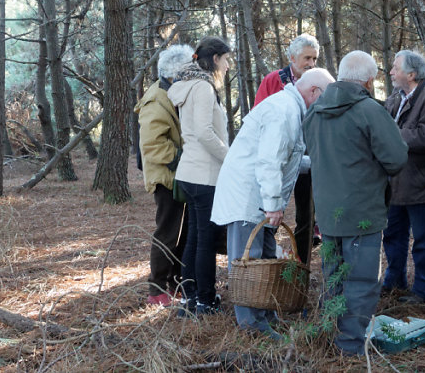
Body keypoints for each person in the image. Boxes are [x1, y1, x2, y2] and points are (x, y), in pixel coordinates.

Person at [212, 68, 335, 337]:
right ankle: (251, 325)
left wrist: (321, 164)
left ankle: (266, 315)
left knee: (267, 257)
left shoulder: (291, 108)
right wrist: (273, 204)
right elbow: (269, 162)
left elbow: (289, 158)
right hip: (248, 198)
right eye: (325, 98)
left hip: (258, 197)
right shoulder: (284, 111)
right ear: (313, 91)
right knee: (248, 262)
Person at [302, 50, 408, 356]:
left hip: (328, 212)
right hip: (363, 210)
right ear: (369, 80)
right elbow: (396, 158)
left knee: (334, 277)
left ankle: (330, 336)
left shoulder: (315, 110)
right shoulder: (369, 110)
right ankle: (349, 347)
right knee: (360, 280)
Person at [169, 36, 232, 316]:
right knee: (205, 240)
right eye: (226, 60)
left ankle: (190, 298)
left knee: (194, 238)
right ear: (215, 59)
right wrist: (230, 159)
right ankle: (205, 301)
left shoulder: (187, 85)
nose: (228, 66)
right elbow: (205, 133)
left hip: (189, 173)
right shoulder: (203, 87)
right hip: (204, 175)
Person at [135, 43, 194, 307]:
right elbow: (152, 145)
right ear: (174, 73)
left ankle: (175, 284)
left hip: (180, 176)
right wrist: (184, 159)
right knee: (168, 233)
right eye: (188, 72)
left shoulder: (172, 92)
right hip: (166, 178)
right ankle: (157, 290)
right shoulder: (156, 100)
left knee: (183, 233)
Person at [381, 50, 425, 304]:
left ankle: (424, 290)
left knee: (423, 240)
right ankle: (394, 280)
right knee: (393, 236)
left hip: (420, 183)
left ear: (412, 74)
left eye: (396, 68)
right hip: (396, 183)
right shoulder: (397, 96)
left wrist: (392, 137)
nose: (391, 72)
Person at [254, 34, 321, 264]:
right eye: (307, 58)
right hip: (279, 156)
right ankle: (266, 262)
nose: (311, 63)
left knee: (307, 215)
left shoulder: (318, 83)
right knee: (271, 210)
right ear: (292, 58)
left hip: (307, 155)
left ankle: (302, 265)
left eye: (314, 58)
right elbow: (259, 115)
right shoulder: (273, 81)